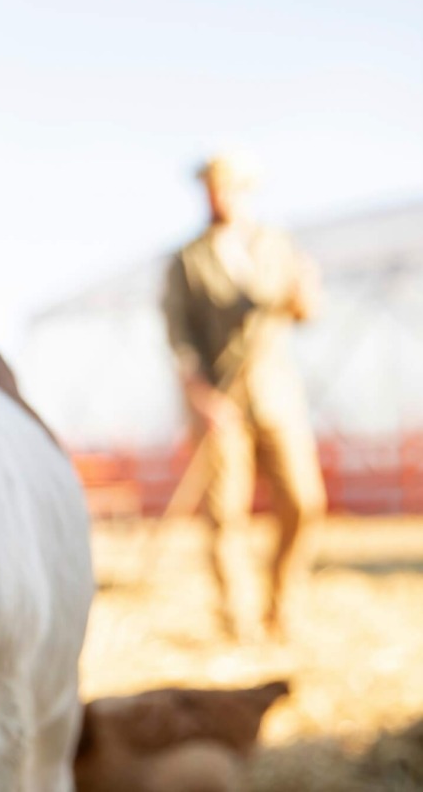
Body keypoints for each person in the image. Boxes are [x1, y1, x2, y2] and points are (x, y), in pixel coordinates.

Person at [162, 152, 326, 641]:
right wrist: (201, 397)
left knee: (303, 502)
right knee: (225, 515)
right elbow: (180, 339)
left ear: (245, 190)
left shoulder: (277, 245)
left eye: (228, 186)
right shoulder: (187, 261)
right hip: (219, 402)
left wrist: (304, 296)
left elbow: (307, 310)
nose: (219, 195)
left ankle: (282, 605)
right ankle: (237, 621)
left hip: (275, 395)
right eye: (212, 186)